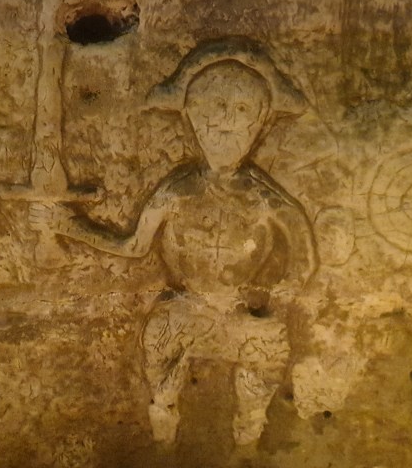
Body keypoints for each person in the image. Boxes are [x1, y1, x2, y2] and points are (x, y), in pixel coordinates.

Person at [31, 56, 317, 446]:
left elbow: (304, 259)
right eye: (213, 111)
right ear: (193, 119)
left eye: (241, 112)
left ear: (260, 122)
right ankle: (164, 430)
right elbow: (134, 246)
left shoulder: (264, 198)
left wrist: (275, 299)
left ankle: (247, 438)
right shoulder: (179, 189)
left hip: (239, 313)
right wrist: (69, 227)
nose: (224, 125)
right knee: (159, 337)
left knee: (268, 346)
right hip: (188, 308)